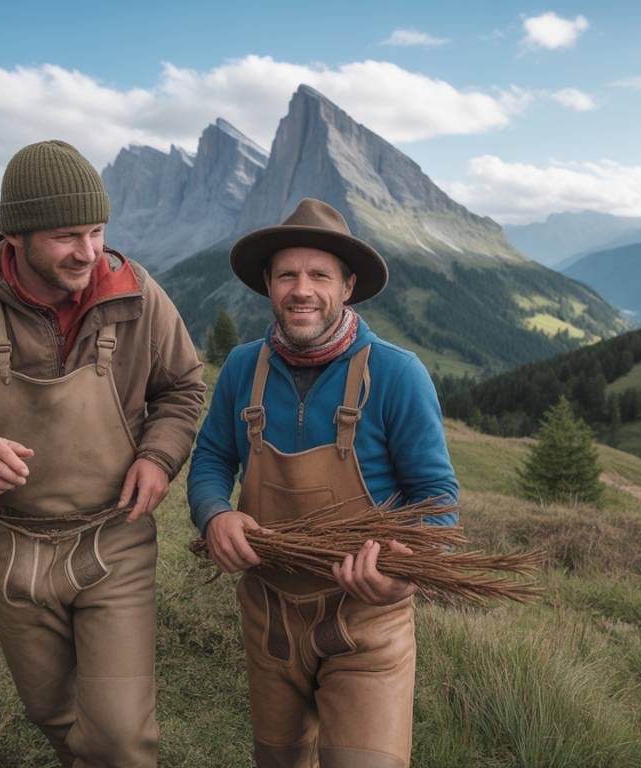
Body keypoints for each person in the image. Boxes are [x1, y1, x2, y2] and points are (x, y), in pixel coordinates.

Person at [0, 140, 205, 767]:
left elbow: (183, 388)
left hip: (114, 539)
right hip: (12, 547)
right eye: (66, 236)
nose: (89, 252)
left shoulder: (138, 295)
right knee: (53, 714)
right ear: (17, 235)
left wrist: (159, 456)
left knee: (117, 736)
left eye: (97, 231)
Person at [187, 198, 458, 768]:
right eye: (287, 274)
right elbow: (212, 455)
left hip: (367, 622)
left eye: (319, 275)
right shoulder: (242, 367)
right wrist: (215, 513)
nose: (301, 289)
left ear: (348, 285)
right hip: (270, 619)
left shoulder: (396, 373)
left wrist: (402, 574)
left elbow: (437, 498)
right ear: (268, 283)